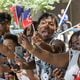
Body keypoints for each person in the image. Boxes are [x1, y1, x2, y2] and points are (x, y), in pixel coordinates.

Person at [18, 12, 67, 80]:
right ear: (37, 27)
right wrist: (23, 65)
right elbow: (35, 63)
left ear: (56, 29)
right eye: (43, 23)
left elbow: (53, 50)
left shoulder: (58, 42)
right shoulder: (35, 45)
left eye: (51, 24)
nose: (46, 26)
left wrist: (40, 43)